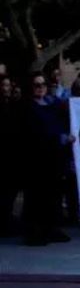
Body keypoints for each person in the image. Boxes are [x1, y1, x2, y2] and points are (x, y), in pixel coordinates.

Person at [18, 73, 73, 246]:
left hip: (54, 158)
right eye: (36, 85)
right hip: (36, 158)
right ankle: (34, 232)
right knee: (36, 196)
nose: (40, 88)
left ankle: (51, 228)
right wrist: (59, 139)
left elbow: (60, 122)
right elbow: (33, 133)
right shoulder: (26, 107)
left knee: (53, 194)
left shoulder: (52, 105)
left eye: (43, 84)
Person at [0, 74, 19, 236]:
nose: (6, 89)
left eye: (8, 85)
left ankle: (7, 219)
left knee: (10, 191)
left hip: (12, 154)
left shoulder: (14, 104)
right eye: (3, 85)